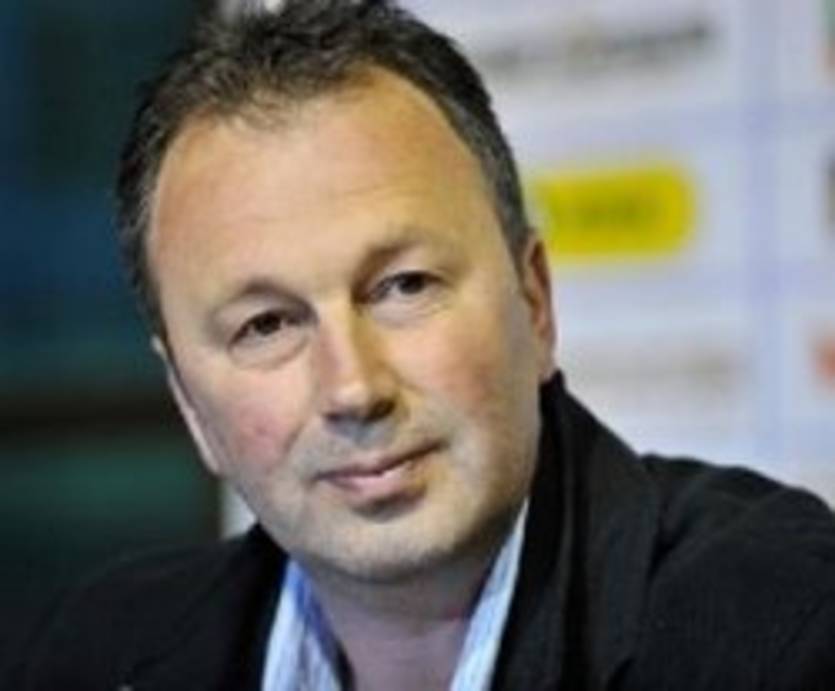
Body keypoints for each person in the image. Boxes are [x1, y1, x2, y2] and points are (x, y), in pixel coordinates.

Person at [16, 1, 835, 689]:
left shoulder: (785, 630)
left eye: (403, 286)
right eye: (266, 325)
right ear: (190, 405)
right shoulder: (92, 654)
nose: (353, 388)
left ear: (534, 302)